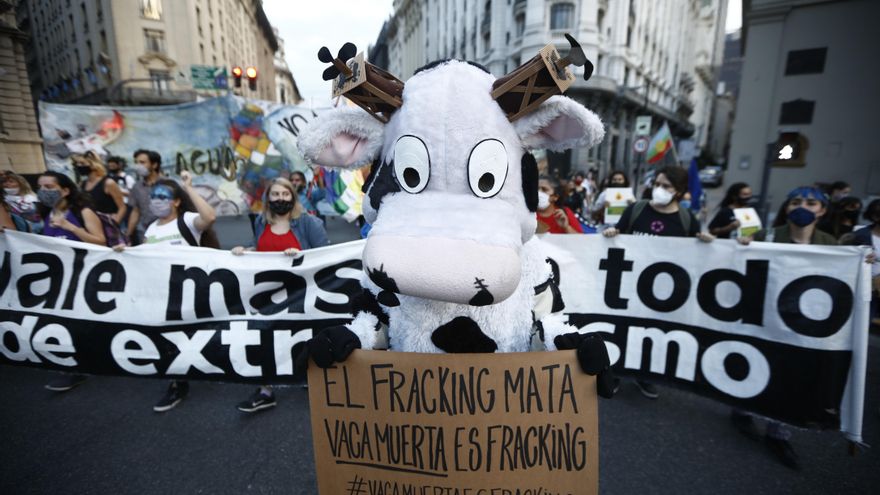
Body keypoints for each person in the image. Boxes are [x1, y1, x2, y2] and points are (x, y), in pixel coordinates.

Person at [734, 185, 837, 470]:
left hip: (804, 324)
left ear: (823, 210)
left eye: (810, 203)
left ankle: (778, 433)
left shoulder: (833, 245)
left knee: (790, 375)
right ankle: (741, 410)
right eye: (795, 202)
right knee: (754, 364)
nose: (802, 207)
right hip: (763, 316)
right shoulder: (767, 236)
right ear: (787, 208)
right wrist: (740, 246)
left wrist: (862, 265)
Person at [602, 165, 714, 399]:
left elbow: (695, 257)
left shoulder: (686, 219)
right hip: (628, 285)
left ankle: (645, 375)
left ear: (679, 191)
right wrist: (613, 233)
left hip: (662, 292)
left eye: (667, 186)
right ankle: (616, 372)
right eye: (657, 184)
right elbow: (619, 234)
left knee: (652, 332)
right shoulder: (637, 210)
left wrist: (706, 243)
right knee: (622, 328)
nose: (659, 189)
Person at [115, 171, 217, 411]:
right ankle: (177, 383)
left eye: (163, 196)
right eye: (154, 196)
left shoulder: (187, 221)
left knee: (199, 333)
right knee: (169, 336)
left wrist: (188, 186)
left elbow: (210, 217)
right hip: (163, 292)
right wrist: (125, 252)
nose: (157, 201)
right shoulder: (150, 228)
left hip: (191, 290)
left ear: (177, 201)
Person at [231, 178, 329, 412]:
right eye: (275, 195)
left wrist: (302, 255)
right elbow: (261, 246)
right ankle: (266, 391)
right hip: (267, 295)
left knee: (302, 337)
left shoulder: (308, 223)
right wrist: (246, 250)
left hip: (300, 294)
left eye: (285, 195)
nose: (280, 199)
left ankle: (309, 378)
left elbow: (326, 254)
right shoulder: (260, 221)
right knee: (264, 339)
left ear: (293, 197)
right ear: (268, 199)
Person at [35, 171, 107, 392]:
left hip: (89, 276)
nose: (44, 192)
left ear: (65, 190)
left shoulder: (82, 212)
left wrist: (70, 228)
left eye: (49, 187)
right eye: (41, 187)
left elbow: (101, 242)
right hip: (63, 279)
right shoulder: (47, 214)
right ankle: (77, 368)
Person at [73, 152, 126, 225]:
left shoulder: (108, 183)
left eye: (82, 163)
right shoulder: (82, 184)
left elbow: (122, 207)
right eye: (77, 163)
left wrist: (115, 224)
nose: (79, 166)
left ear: (93, 164)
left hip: (108, 224)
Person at [127, 149, 164, 245]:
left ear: (154, 165)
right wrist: (128, 234)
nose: (138, 166)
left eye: (142, 162)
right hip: (144, 232)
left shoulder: (168, 184)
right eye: (136, 162)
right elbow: (136, 211)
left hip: (165, 231)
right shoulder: (137, 186)